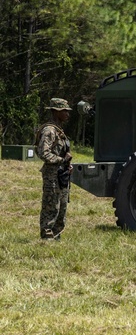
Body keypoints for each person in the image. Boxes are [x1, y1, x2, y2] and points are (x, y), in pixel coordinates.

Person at [37, 98, 73, 240]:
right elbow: (43, 152)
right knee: (51, 206)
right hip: (52, 175)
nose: (67, 114)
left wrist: (66, 164)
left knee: (62, 206)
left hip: (61, 174)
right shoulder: (49, 130)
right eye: (65, 111)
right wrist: (61, 160)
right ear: (56, 112)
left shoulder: (58, 130)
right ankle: (47, 236)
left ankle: (56, 235)